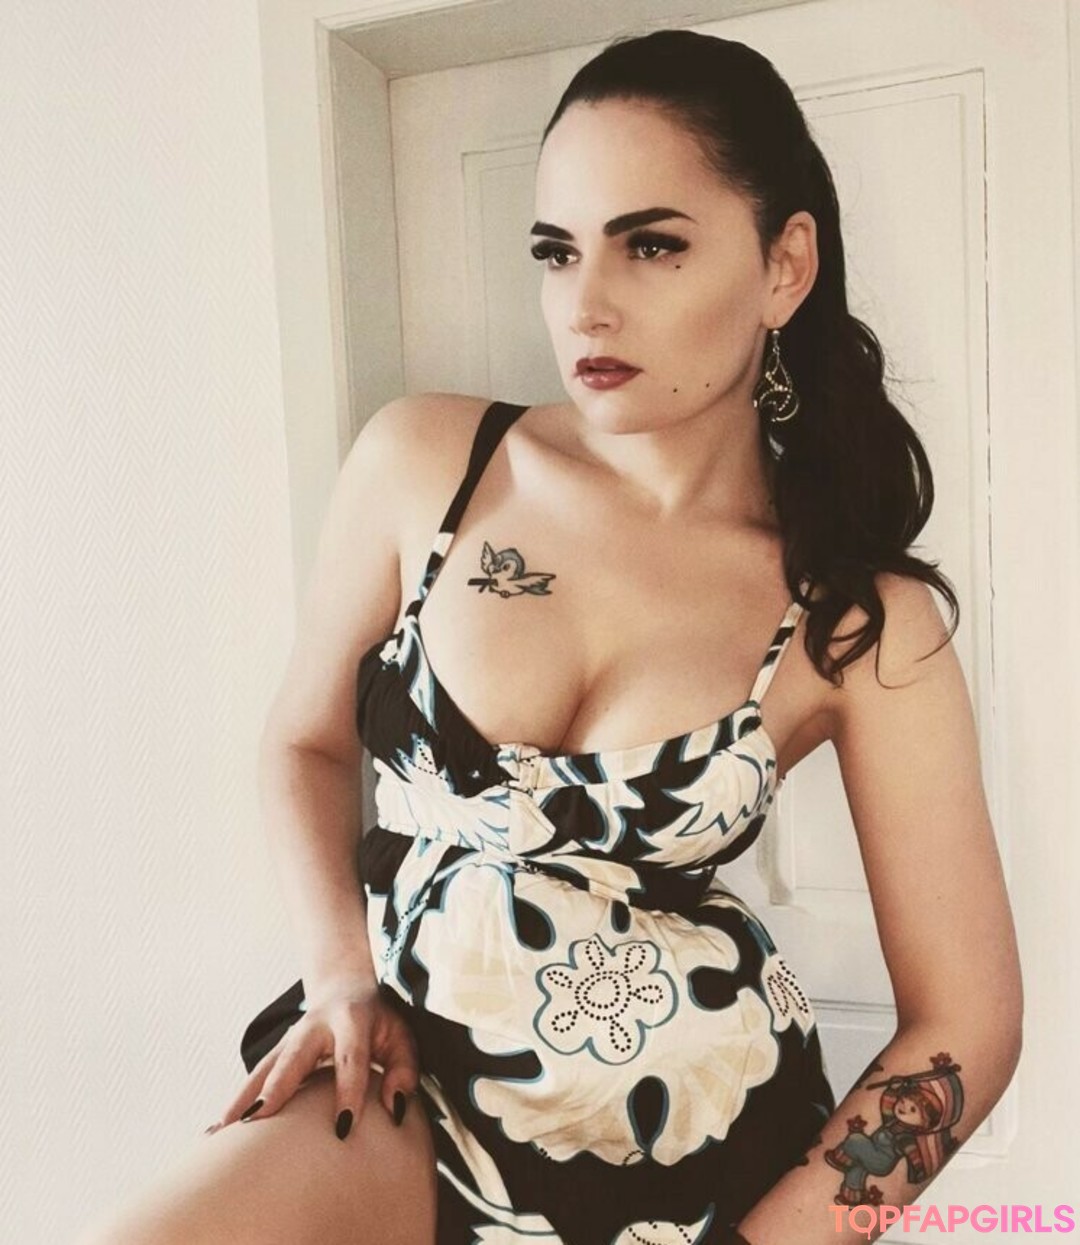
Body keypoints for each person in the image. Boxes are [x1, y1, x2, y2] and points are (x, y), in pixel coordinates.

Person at [77, 27, 1022, 1245]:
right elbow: (305, 742)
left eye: (652, 244)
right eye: (557, 250)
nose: (586, 303)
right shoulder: (428, 463)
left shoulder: (856, 619)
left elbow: (967, 1023)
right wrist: (340, 972)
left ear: (785, 264)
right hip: (400, 1075)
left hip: (698, 1160)